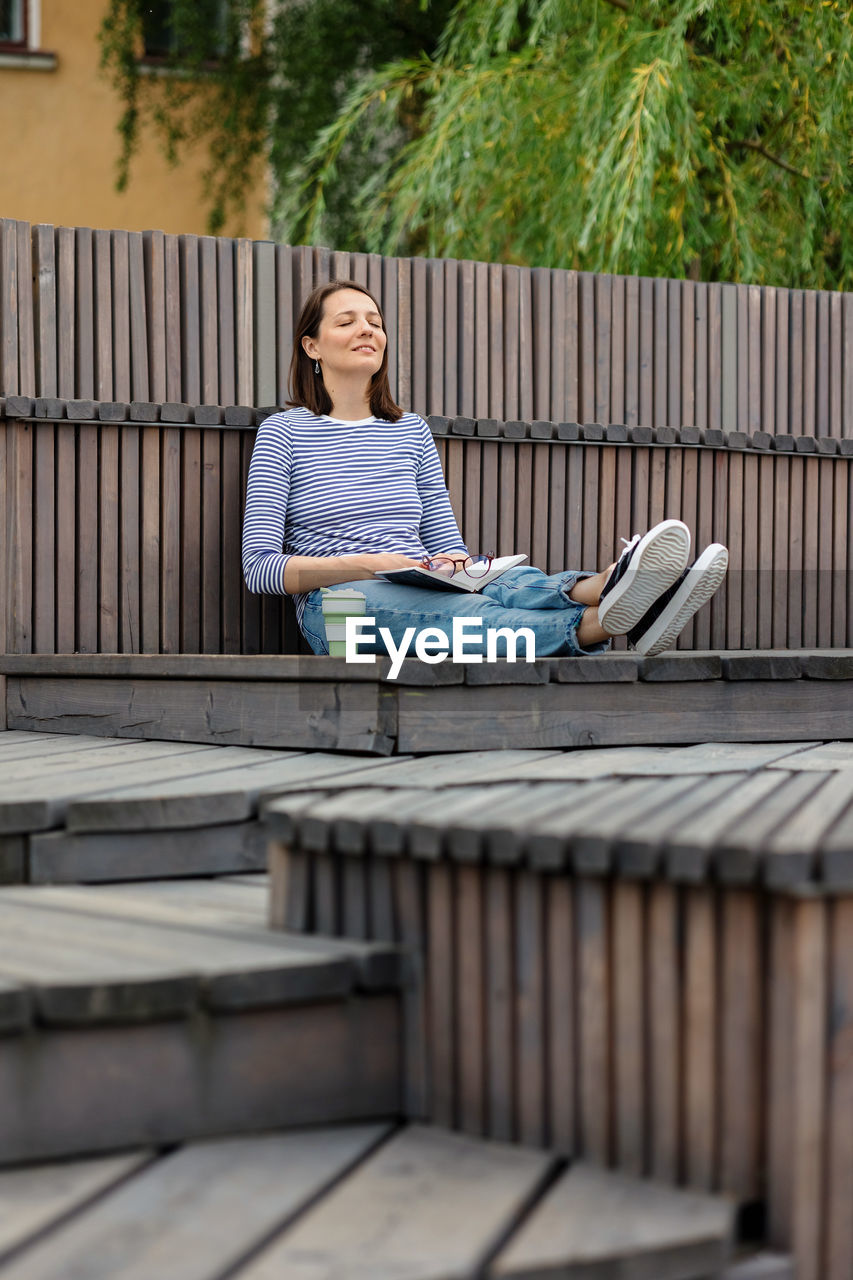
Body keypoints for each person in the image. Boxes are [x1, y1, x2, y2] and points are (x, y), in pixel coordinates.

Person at [242, 279, 728, 660]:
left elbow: (449, 547)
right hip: (340, 609)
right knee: (468, 611)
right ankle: (625, 612)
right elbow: (260, 570)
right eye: (347, 322)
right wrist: (377, 564)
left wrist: (453, 566)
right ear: (312, 347)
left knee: (501, 581)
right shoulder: (285, 433)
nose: (367, 329)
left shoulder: (410, 431)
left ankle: (614, 586)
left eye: (374, 321)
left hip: (422, 580)